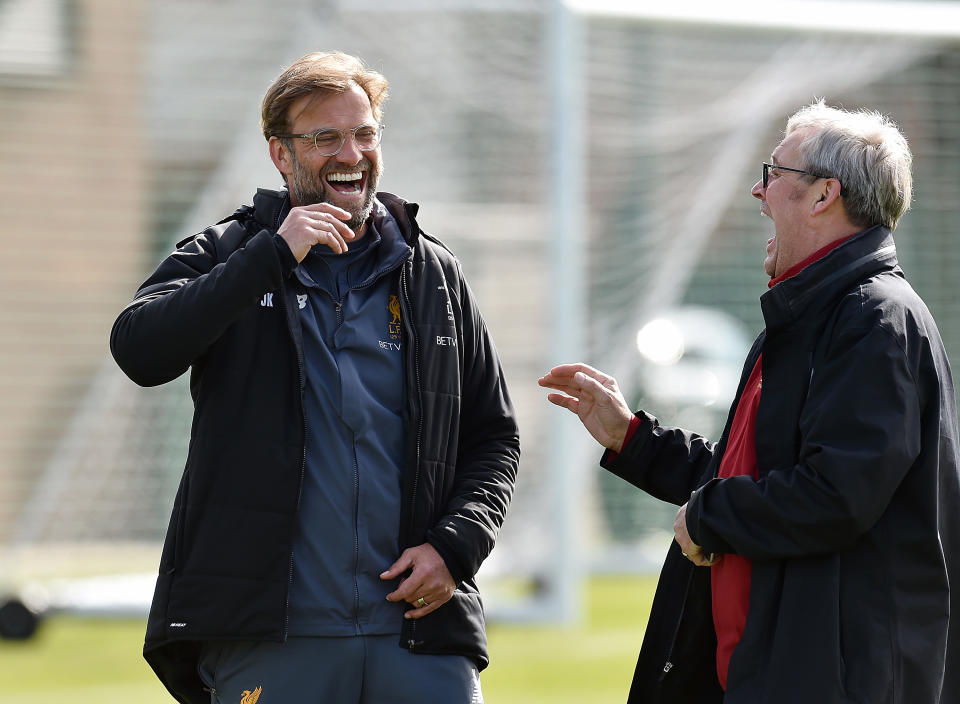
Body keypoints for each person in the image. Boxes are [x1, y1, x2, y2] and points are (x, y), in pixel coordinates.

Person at [111, 50, 519, 704]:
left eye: (363, 134)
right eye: (324, 138)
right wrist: (270, 255)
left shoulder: (435, 272)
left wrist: (456, 546)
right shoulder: (228, 253)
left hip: (417, 634)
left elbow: (494, 438)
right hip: (272, 636)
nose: (349, 153)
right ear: (280, 154)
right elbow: (138, 349)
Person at [540, 100, 960, 703]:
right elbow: (756, 476)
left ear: (823, 195)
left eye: (774, 173)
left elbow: (835, 495)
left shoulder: (874, 321)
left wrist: (710, 518)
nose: (757, 192)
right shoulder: (810, 314)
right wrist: (632, 439)